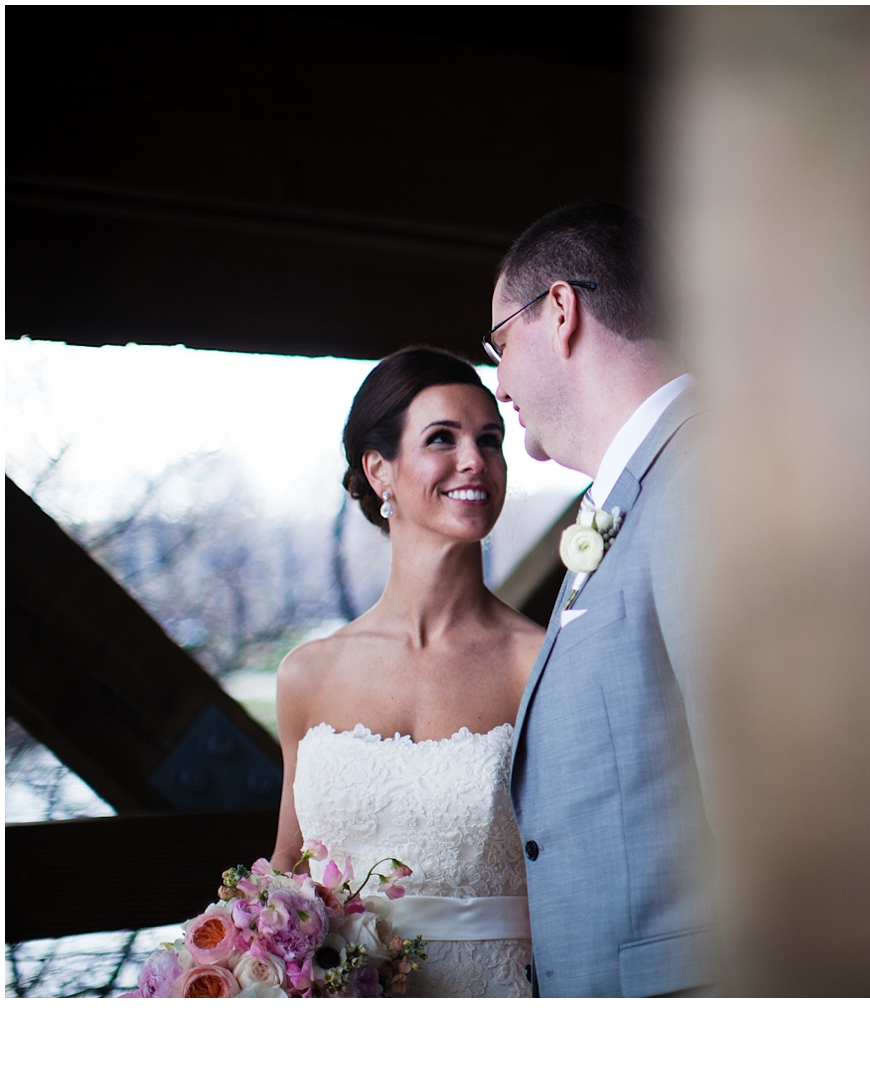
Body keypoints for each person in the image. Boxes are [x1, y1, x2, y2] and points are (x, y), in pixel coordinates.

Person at [485, 201, 719, 996]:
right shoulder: (643, 490)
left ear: (560, 310)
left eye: (499, 342)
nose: (500, 381)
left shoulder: (703, 483)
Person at [270, 346, 544, 997]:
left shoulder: (537, 662)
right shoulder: (307, 674)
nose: (475, 460)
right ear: (379, 469)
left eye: (491, 439)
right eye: (442, 438)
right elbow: (286, 867)